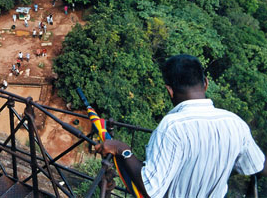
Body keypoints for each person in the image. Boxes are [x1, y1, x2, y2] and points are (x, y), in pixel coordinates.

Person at [95, 54, 266, 198]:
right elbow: (258, 166)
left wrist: (122, 149)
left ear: (169, 91)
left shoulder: (172, 127)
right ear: (205, 83)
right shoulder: (236, 124)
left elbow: (150, 188)